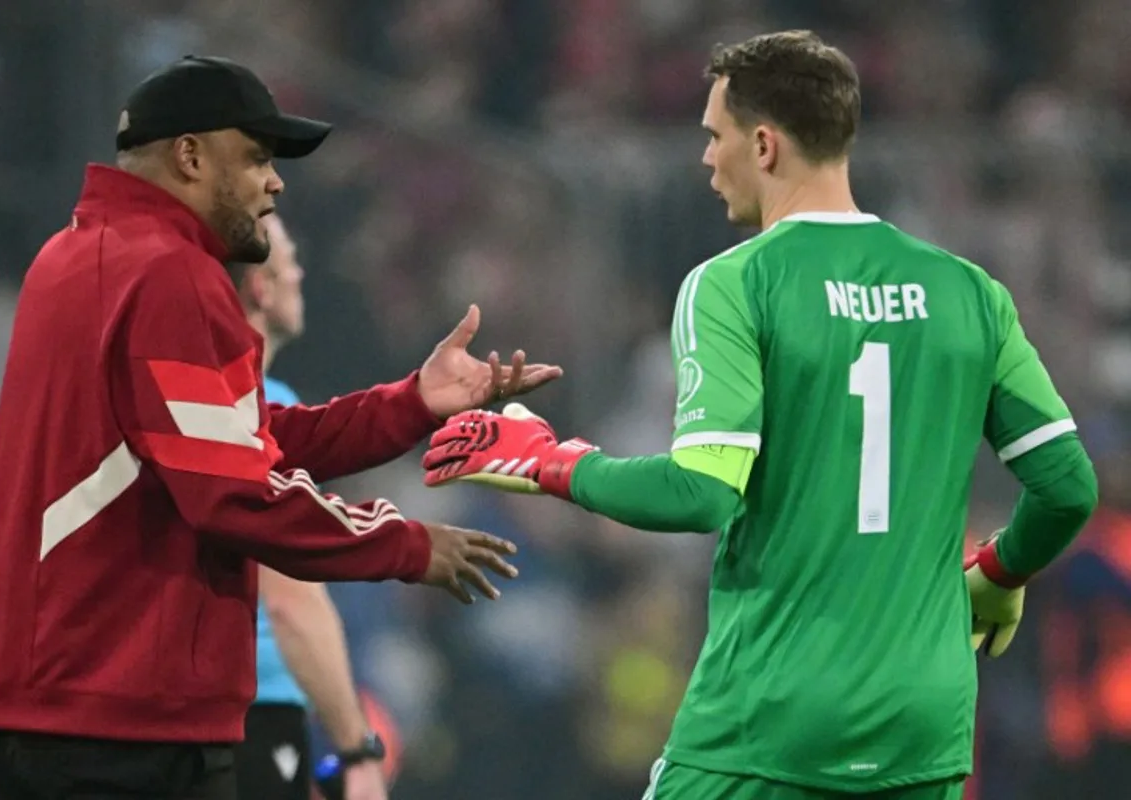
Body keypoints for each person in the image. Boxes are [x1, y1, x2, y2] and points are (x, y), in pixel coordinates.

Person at [421, 30, 1099, 800]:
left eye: (716, 137)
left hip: (774, 719)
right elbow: (1067, 488)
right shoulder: (969, 292)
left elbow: (701, 493)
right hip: (924, 723)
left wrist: (552, 462)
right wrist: (1001, 572)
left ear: (766, 144)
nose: (707, 159)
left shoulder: (735, 285)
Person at [0, 55, 558, 800]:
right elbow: (233, 492)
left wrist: (412, 402)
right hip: (121, 715)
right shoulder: (169, 274)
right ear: (190, 156)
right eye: (255, 158)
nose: (274, 182)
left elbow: (244, 439)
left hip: (46, 700)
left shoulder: (71, 255)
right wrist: (403, 544)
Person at [227, 214, 387, 800]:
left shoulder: (170, 402)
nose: (301, 275)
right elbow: (291, 599)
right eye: (290, 260)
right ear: (260, 287)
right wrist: (356, 752)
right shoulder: (263, 413)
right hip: (249, 713)